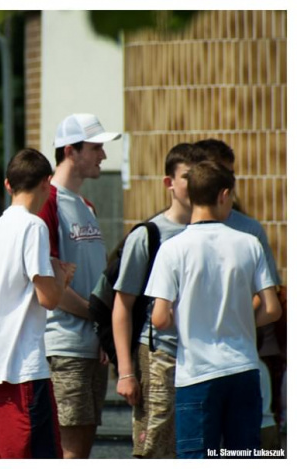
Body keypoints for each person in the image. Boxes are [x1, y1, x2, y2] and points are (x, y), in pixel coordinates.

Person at [147, 160, 282, 459]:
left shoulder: (172, 249)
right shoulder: (248, 244)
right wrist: (244, 321)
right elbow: (272, 309)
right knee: (243, 457)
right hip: (243, 368)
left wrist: (184, 321)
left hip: (196, 374)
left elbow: (159, 317)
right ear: (224, 194)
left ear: (191, 195)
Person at [0, 148, 75, 459]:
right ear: (47, 182)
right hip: (21, 367)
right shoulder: (34, 226)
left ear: (8, 185)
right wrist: (61, 275)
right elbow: (49, 298)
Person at [111, 143, 207, 458]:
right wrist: (126, 371)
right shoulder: (150, 235)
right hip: (158, 354)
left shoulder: (214, 232)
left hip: (205, 355)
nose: (194, 184)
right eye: (187, 177)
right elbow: (123, 305)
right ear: (169, 183)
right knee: (154, 446)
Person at [37, 113, 120, 458]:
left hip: (90, 344)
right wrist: (99, 319)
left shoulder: (87, 205)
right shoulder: (48, 201)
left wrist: (103, 330)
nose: (103, 155)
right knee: (67, 448)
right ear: (71, 150)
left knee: (84, 446)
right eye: (96, 147)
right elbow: (48, 283)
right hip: (63, 344)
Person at [194, 138, 284, 421]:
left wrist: (234, 317)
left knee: (239, 443)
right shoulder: (173, 231)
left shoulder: (248, 230)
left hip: (240, 353)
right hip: (188, 360)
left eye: (228, 175)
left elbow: (269, 293)